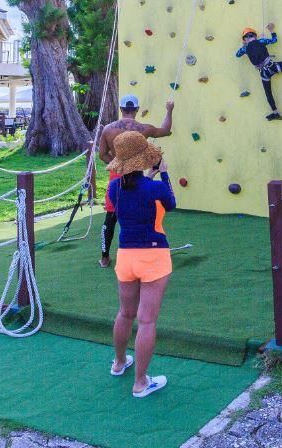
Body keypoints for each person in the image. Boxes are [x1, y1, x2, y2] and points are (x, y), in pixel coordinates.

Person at [106, 130, 175, 398]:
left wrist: (150, 177)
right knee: (146, 321)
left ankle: (119, 362)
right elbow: (170, 203)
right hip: (154, 256)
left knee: (125, 313)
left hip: (126, 256)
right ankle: (140, 383)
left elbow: (134, 193)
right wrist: (164, 174)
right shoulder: (155, 186)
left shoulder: (114, 187)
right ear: (143, 160)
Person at [96, 94, 173, 268]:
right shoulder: (144, 128)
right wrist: (169, 110)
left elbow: (102, 154)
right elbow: (165, 130)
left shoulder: (108, 129)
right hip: (138, 175)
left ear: (121, 109)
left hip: (117, 176)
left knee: (111, 217)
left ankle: (105, 257)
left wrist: (118, 166)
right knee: (140, 212)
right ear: (137, 109)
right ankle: (142, 251)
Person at [235, 22, 282, 120]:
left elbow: (237, 55)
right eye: (250, 35)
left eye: (250, 36)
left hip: (264, 73)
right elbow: (274, 40)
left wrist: (243, 45)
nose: (250, 37)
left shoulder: (245, 48)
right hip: (272, 67)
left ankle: (275, 112)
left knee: (268, 93)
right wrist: (272, 31)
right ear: (254, 36)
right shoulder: (261, 41)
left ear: (246, 39)